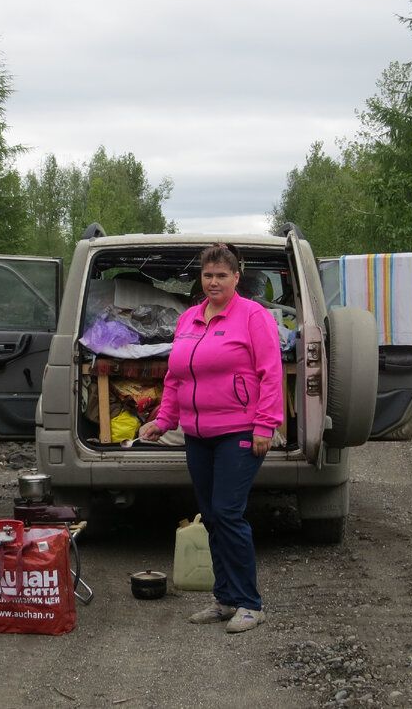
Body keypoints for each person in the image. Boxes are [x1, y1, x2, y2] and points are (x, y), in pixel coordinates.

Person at [137, 243, 283, 633]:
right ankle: (225, 599)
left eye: (222, 275)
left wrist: (265, 424)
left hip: (239, 430)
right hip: (198, 435)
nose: (214, 282)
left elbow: (271, 372)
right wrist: (164, 420)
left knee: (228, 513)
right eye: (208, 275)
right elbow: (175, 376)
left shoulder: (254, 316)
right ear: (199, 279)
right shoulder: (188, 318)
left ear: (237, 278)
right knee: (213, 517)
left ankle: (250, 603)